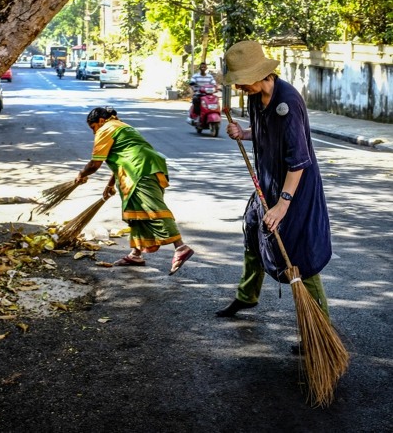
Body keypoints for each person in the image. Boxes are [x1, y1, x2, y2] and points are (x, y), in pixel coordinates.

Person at [217, 41, 332, 346]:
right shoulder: (257, 98)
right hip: (267, 185)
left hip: (294, 189)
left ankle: (319, 331)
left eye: (241, 81)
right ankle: (248, 295)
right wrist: (244, 133)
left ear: (259, 74)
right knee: (254, 231)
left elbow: (299, 161)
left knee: (297, 255)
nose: (239, 87)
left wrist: (283, 205)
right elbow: (267, 132)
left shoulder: (288, 102)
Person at [75, 107, 194, 275]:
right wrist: (110, 184)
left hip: (139, 171)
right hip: (142, 169)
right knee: (136, 212)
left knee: (152, 208)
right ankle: (136, 254)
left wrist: (81, 174)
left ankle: (180, 247)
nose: (94, 132)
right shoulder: (120, 126)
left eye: (93, 127)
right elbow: (121, 157)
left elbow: (95, 164)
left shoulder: (105, 129)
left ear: (100, 122)